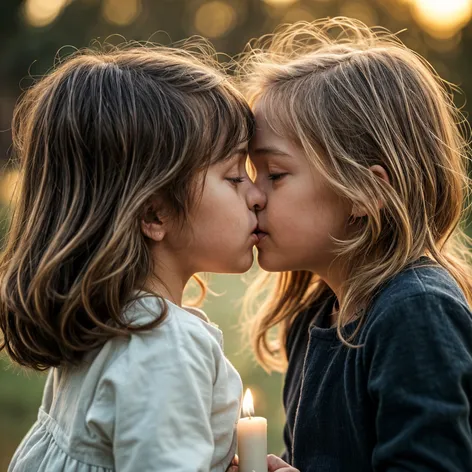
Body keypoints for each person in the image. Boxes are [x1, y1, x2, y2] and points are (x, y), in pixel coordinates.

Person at [0, 42, 267, 472]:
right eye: (235, 176)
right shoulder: (165, 349)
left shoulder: (102, 325)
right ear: (154, 213)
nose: (256, 195)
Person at [241, 17, 472, 471]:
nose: (252, 193)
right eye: (249, 174)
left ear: (365, 193)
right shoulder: (313, 315)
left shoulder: (415, 312)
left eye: (275, 174)